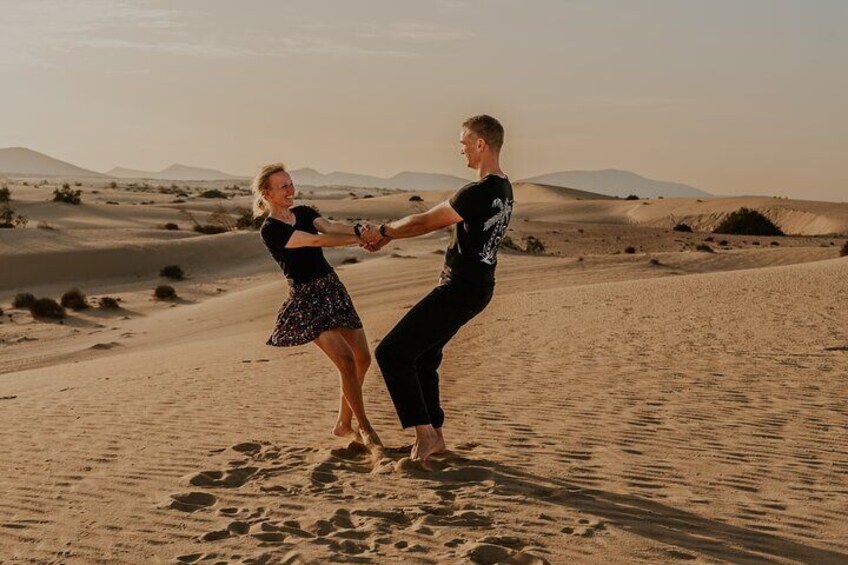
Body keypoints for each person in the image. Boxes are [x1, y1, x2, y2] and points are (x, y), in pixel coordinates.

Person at [361, 115, 513, 461]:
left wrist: (384, 231)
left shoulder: (478, 191)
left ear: (480, 144)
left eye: (464, 144)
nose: (461, 152)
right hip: (476, 288)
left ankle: (425, 435)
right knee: (425, 356)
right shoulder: (504, 188)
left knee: (392, 353)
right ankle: (434, 437)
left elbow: (424, 221)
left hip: (460, 288)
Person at [253, 163, 381, 449]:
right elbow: (313, 240)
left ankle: (342, 424)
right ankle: (365, 428)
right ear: (267, 193)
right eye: (283, 186)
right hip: (306, 300)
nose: (290, 190)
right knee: (346, 361)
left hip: (332, 289)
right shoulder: (271, 229)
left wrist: (359, 230)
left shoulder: (304, 213)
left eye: (290, 183)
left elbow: (329, 227)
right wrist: (360, 239)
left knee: (363, 358)